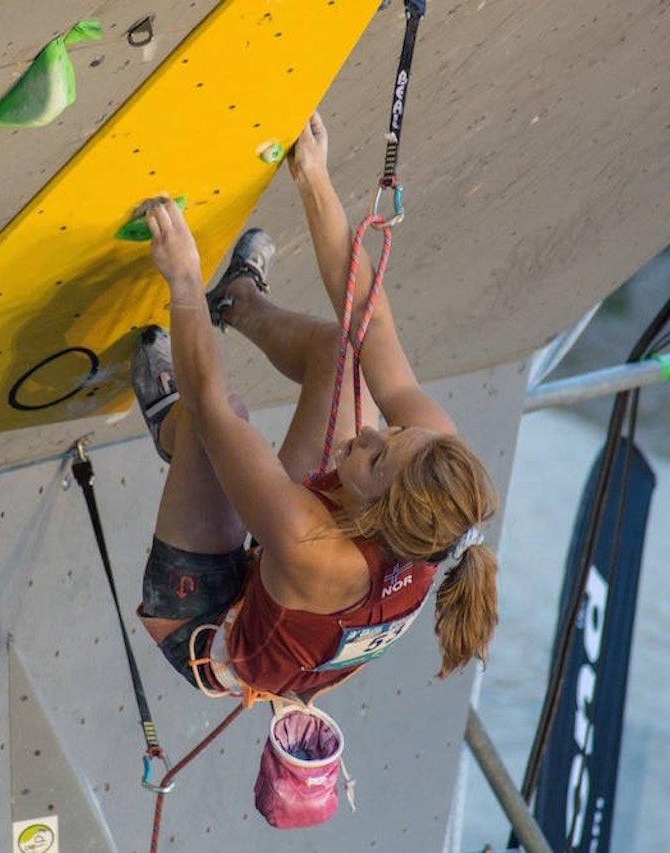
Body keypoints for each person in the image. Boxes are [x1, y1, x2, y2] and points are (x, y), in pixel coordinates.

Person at [131, 112, 499, 704]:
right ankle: (238, 300)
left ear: (377, 512)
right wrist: (314, 179)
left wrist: (183, 280)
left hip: (206, 621)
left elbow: (215, 406)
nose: (368, 435)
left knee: (215, 422)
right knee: (344, 354)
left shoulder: (315, 547)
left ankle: (169, 426)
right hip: (300, 595)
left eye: (374, 460)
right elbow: (367, 321)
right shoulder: (437, 476)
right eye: (394, 431)